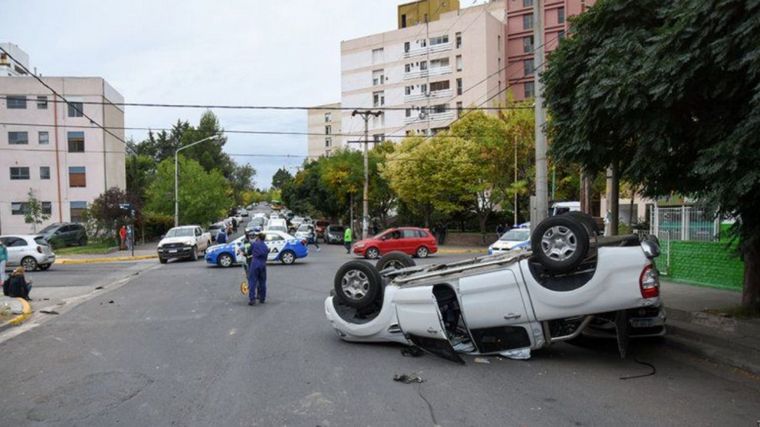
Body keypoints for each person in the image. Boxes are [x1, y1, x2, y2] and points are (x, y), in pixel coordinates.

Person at [246, 233, 269, 305]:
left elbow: (248, 252)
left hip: (255, 263)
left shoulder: (254, 244)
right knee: (262, 282)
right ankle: (262, 298)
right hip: (263, 265)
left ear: (258, 237)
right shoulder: (265, 246)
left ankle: (252, 299)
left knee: (252, 281)